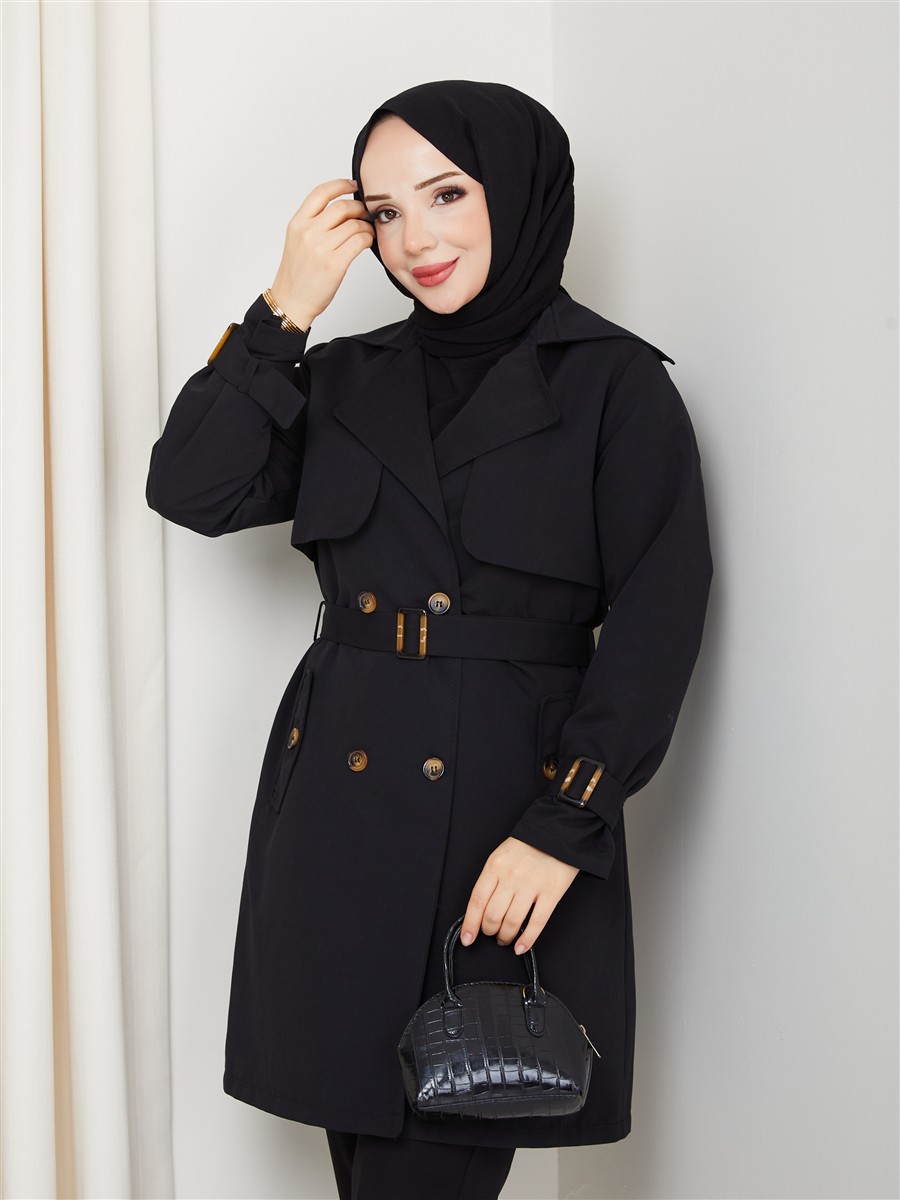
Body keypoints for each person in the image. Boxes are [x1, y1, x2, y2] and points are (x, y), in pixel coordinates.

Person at [145, 80, 713, 1200]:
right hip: (336, 813)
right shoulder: (347, 377)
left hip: (504, 827)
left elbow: (657, 623)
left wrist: (564, 826)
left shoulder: (614, 385)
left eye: (447, 194)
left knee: (433, 1151)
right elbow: (192, 488)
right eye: (384, 212)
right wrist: (283, 311)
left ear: (519, 191)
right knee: (364, 1155)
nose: (416, 240)